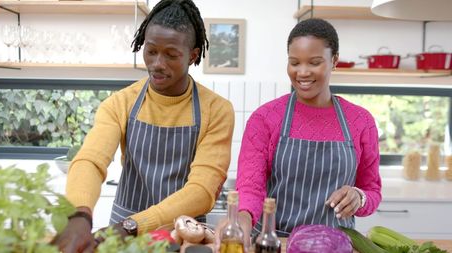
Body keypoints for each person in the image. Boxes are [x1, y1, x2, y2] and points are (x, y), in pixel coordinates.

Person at [52, 0, 234, 252]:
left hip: (183, 235)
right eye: (150, 51)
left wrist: (133, 225)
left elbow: (202, 190)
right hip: (121, 236)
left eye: (171, 54)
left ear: (192, 55)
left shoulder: (216, 110)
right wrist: (80, 215)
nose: (157, 63)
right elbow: (90, 161)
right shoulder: (120, 102)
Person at [233, 18, 381, 247]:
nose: (302, 72)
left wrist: (358, 197)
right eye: (294, 62)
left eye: (314, 62)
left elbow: (372, 191)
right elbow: (251, 186)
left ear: (334, 61)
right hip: (278, 242)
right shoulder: (265, 118)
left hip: (337, 246)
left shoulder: (361, 122)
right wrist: (242, 217)